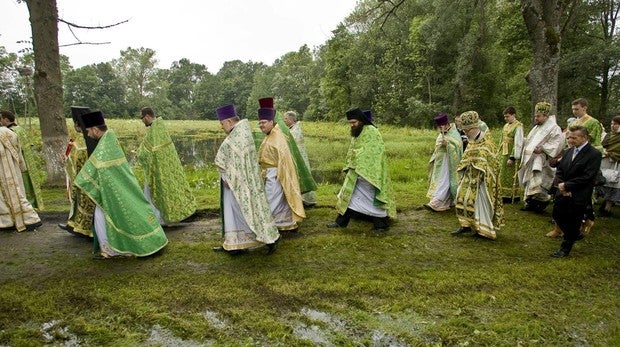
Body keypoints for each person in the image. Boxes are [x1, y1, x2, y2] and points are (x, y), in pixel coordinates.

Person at [75, 110, 168, 259]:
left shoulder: (105, 143)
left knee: (103, 216)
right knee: (106, 215)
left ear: (95, 129)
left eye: (88, 130)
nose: (87, 134)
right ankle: (110, 248)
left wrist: (80, 180)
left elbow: (94, 167)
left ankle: (111, 250)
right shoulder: (108, 138)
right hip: (114, 187)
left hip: (113, 189)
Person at [213, 104, 280, 254]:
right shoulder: (240, 132)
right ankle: (234, 244)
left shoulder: (239, 135)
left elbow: (237, 162)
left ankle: (272, 240)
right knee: (235, 211)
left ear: (229, 121)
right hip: (236, 182)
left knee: (248, 211)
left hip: (238, 183)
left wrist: (230, 178)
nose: (221, 126)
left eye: (222, 123)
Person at [327, 107, 396, 231]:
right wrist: (350, 163)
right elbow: (352, 150)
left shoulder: (372, 131)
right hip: (356, 172)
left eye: (354, 122)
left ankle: (381, 225)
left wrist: (358, 159)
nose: (352, 125)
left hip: (369, 174)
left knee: (372, 199)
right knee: (349, 197)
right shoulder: (357, 132)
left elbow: (374, 152)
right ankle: (341, 222)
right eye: (350, 123)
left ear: (361, 120)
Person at [137, 107, 196, 226]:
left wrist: (139, 154)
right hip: (163, 169)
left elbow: (146, 154)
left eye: (142, 118)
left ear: (147, 116)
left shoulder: (155, 130)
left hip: (157, 171)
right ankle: (160, 219)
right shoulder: (159, 127)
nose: (142, 121)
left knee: (153, 195)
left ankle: (156, 221)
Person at [451, 111, 503, 240]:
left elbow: (491, 162)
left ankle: (484, 230)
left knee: (480, 203)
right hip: (469, 176)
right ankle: (465, 225)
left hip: (483, 180)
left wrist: (479, 170)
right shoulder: (472, 140)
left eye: (467, 130)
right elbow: (466, 157)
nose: (465, 133)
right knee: (460, 197)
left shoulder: (487, 142)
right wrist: (464, 167)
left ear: (475, 128)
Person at [551, 126, 602, 257]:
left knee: (573, 219)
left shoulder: (594, 154)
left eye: (574, 138)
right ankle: (575, 234)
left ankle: (565, 248)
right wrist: (562, 186)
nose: (571, 140)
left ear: (584, 138)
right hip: (562, 191)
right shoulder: (568, 152)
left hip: (579, 193)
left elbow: (588, 176)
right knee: (557, 214)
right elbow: (561, 170)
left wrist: (568, 186)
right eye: (569, 138)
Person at [258, 106, 306, 232]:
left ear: (271, 122)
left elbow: (284, 161)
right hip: (269, 173)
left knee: (271, 202)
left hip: (275, 175)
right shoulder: (270, 133)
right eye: (259, 122)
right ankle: (286, 225)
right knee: (279, 202)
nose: (260, 125)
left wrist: (279, 176)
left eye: (263, 122)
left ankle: (266, 229)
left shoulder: (277, 137)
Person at [517, 101, 563, 213]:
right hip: (531, 158)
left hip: (542, 160)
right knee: (530, 182)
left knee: (539, 183)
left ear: (546, 116)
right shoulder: (537, 127)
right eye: (535, 116)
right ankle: (530, 203)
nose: (535, 118)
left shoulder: (554, 128)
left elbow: (556, 143)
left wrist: (542, 149)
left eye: (538, 116)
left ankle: (541, 203)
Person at [59, 106, 97, 237]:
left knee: (87, 204)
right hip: (79, 177)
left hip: (87, 178)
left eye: (75, 122)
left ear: (78, 123)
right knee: (77, 202)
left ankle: (87, 230)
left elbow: (82, 158)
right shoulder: (82, 137)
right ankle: (74, 225)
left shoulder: (90, 138)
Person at [568, 98, 605, 234]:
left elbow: (595, 144)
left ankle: (587, 218)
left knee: (584, 192)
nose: (574, 111)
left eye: (577, 109)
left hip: (586, 161)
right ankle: (571, 218)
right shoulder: (574, 122)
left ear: (584, 108)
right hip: (573, 158)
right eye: (573, 109)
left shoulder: (593, 122)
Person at [0, 126, 42, 232]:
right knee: (17, 192)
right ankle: (29, 218)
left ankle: (8, 221)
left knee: (3, 197)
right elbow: (19, 150)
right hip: (14, 168)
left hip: (2, 169)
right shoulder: (10, 132)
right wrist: (22, 165)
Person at [0, 110, 44, 210]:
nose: (1, 121)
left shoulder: (11, 132)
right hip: (29, 161)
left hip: (18, 163)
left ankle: (25, 209)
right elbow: (30, 144)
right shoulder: (21, 129)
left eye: (1, 118)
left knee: (21, 185)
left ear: (6, 119)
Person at [425, 113, 463, 212]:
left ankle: (437, 202)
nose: (440, 128)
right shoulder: (443, 133)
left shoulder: (454, 133)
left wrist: (448, 145)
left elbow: (458, 148)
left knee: (444, 181)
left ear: (446, 124)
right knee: (439, 180)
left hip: (448, 162)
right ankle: (444, 202)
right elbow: (437, 146)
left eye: (441, 126)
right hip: (439, 161)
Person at [283, 110, 317, 207]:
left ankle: (308, 201)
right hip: (296, 158)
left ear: (291, 119)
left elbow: (291, 143)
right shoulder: (292, 129)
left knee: (302, 177)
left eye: (285, 118)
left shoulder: (296, 130)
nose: (284, 120)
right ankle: (299, 199)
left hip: (300, 159)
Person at [595, 115, 620, 216]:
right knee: (602, 181)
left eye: (615, 124)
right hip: (605, 162)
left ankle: (607, 208)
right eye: (612, 123)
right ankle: (599, 203)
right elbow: (602, 145)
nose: (613, 126)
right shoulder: (608, 135)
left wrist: (611, 153)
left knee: (613, 184)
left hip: (616, 164)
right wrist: (603, 151)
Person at [499, 107, 524, 203]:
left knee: (511, 175)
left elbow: (518, 142)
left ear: (513, 115)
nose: (506, 118)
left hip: (511, 153)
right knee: (503, 174)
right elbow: (502, 139)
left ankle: (512, 195)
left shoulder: (518, 126)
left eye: (507, 116)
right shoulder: (505, 126)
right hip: (504, 153)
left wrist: (513, 157)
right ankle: (504, 194)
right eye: (505, 117)